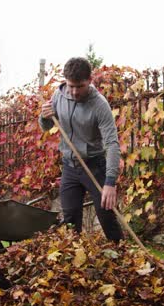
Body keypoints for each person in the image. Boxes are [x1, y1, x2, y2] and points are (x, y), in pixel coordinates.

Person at [38, 57, 123, 243]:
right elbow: (44, 126)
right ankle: (76, 263)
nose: (75, 92)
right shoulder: (58, 96)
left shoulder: (100, 105)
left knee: (107, 217)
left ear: (90, 81)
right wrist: (44, 117)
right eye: (71, 86)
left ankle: (125, 258)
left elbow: (112, 144)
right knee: (69, 220)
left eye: (80, 86)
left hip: (95, 166)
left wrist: (110, 182)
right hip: (70, 166)